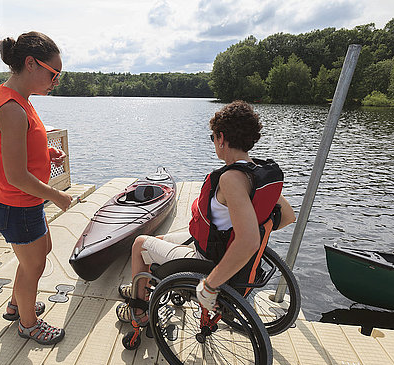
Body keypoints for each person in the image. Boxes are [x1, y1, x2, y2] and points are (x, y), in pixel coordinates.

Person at [116, 100, 296, 324]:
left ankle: (139, 312)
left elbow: (248, 241)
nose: (214, 143)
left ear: (221, 138)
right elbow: (288, 217)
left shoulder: (231, 179)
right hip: (216, 246)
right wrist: (249, 224)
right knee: (160, 240)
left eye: (213, 138)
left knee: (140, 244)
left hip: (209, 260)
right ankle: (140, 287)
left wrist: (210, 285)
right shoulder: (257, 176)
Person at [0, 31, 72, 345]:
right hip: (17, 203)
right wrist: (58, 196)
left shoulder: (21, 101)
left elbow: (19, 151)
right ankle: (28, 323)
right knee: (34, 263)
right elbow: (16, 176)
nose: (56, 81)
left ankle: (16, 302)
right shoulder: (11, 108)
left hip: (24, 203)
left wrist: (46, 154)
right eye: (54, 74)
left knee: (39, 254)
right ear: (31, 64)